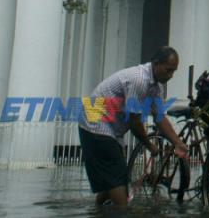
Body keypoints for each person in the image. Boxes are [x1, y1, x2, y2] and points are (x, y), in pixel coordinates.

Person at [78, 46, 188, 206]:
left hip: (110, 126)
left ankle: (98, 210)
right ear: (156, 63)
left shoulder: (156, 86)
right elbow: (134, 121)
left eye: (174, 72)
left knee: (113, 176)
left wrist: (177, 142)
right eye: (168, 70)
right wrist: (149, 145)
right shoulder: (139, 79)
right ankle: (122, 211)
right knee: (117, 177)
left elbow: (159, 117)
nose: (171, 75)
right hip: (94, 120)